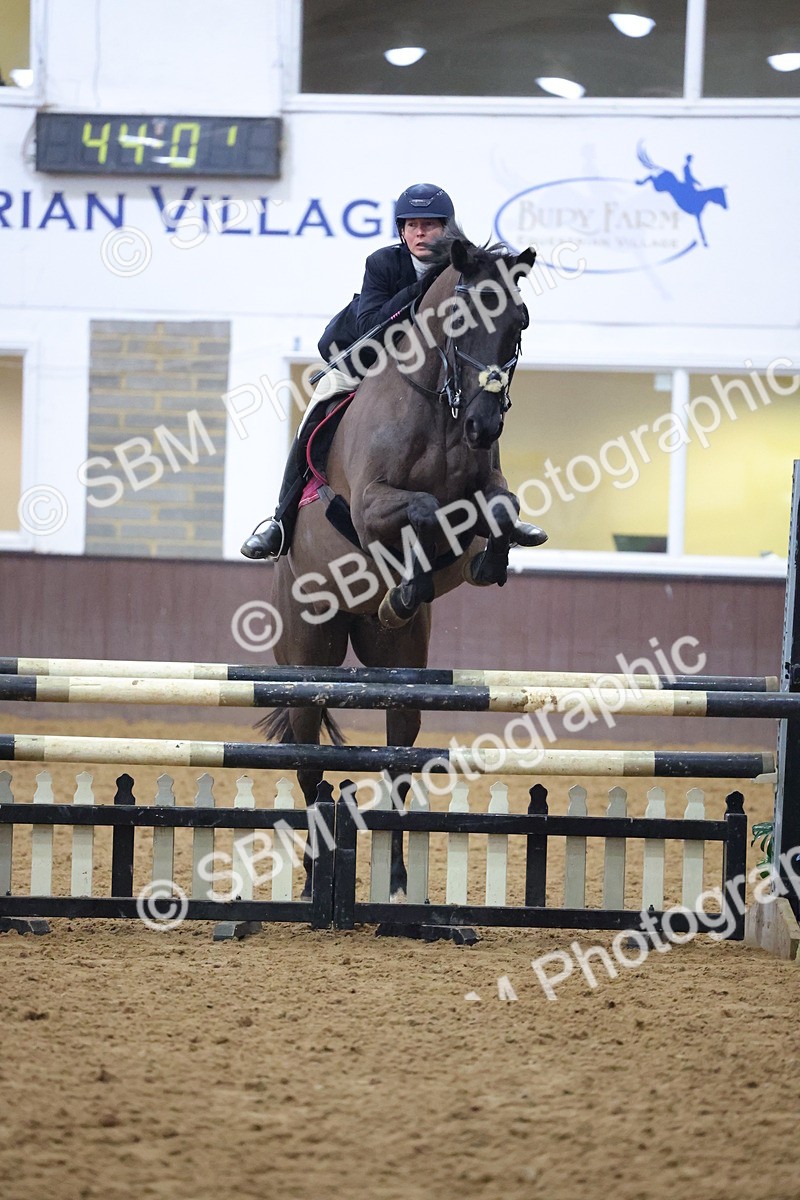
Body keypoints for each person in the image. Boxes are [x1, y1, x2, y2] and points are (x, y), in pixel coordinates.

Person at [240, 182, 546, 559]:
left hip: (429, 373)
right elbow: (372, 326)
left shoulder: (463, 273)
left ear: (446, 229)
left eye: (430, 224)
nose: (420, 233)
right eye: (411, 225)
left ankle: (501, 511)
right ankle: (281, 521)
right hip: (364, 358)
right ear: (401, 231)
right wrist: (424, 292)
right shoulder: (383, 263)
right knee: (316, 411)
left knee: (478, 408)